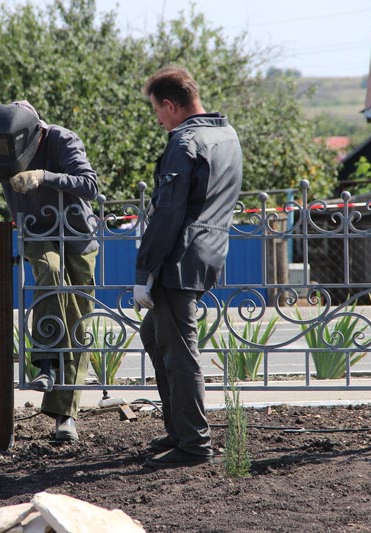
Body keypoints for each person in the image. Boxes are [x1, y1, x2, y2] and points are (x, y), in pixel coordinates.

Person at [0, 101, 99, 442]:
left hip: (78, 237)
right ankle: (46, 363)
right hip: (37, 234)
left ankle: (64, 416)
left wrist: (43, 177)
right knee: (49, 272)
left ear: (33, 133)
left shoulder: (62, 141)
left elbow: (89, 185)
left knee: (78, 324)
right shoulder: (3, 151)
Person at [134, 66, 243, 467]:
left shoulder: (185, 142)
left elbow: (167, 214)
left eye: (158, 111)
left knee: (180, 353)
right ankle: (178, 430)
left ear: (172, 105)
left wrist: (144, 273)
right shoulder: (226, 135)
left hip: (178, 259)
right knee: (154, 335)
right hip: (210, 252)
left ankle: (194, 445)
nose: (158, 120)